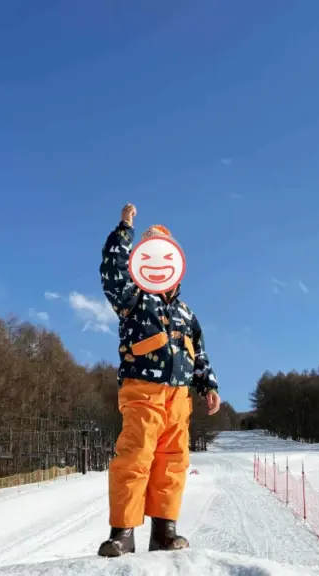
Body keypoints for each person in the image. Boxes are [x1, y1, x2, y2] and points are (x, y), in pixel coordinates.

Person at [97, 203, 221, 557]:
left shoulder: (186, 313)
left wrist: (208, 385)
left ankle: (165, 531)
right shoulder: (133, 298)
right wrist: (125, 230)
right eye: (147, 255)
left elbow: (198, 351)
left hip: (179, 399)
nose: (156, 264)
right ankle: (122, 533)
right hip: (142, 390)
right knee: (135, 456)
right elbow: (112, 273)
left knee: (173, 461)